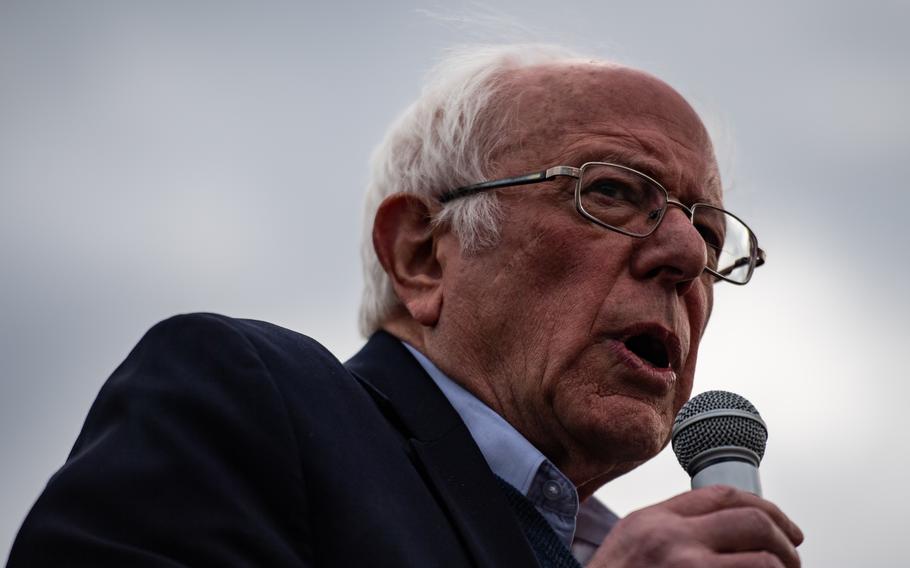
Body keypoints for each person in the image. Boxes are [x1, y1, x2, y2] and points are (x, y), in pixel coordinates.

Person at [8, 44, 801, 567]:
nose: (689, 256)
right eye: (613, 193)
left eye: (706, 230)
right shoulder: (247, 397)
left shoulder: (611, 548)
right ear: (423, 254)